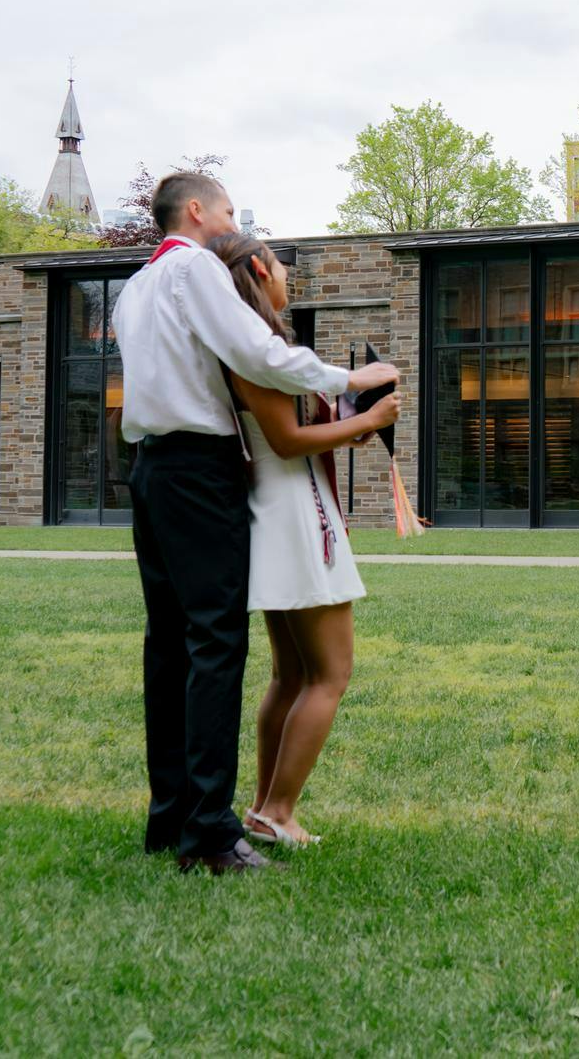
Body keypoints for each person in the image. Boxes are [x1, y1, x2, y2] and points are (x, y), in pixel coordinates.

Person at [111, 172, 398, 874]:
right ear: (198, 210)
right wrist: (353, 382)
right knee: (216, 645)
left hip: (149, 469)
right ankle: (211, 833)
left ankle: (170, 816)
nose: (233, 225)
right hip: (200, 469)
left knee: (169, 648)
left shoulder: (133, 288)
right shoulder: (192, 268)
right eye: (229, 211)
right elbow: (258, 353)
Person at [204, 231, 399, 848]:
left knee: (291, 676)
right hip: (295, 515)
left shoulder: (255, 347)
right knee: (329, 674)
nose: (288, 277)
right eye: (283, 266)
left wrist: (349, 425)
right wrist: (366, 419)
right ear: (261, 269)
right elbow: (285, 441)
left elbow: (293, 430)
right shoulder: (254, 349)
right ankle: (278, 810)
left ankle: (265, 808)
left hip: (283, 508)